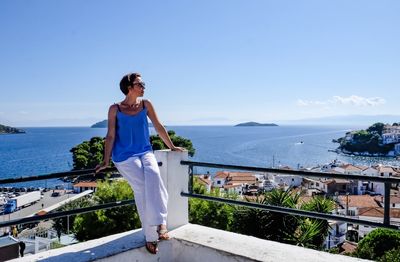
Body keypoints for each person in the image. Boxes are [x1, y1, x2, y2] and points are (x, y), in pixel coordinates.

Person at [95, 72, 184, 254]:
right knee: (143, 187)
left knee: (154, 176)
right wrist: (105, 160)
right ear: (129, 87)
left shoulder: (146, 104)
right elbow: (110, 135)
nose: (144, 86)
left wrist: (172, 146)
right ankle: (152, 234)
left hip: (144, 150)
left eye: (143, 83)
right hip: (124, 155)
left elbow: (159, 126)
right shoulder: (115, 109)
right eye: (140, 84)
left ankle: (161, 223)